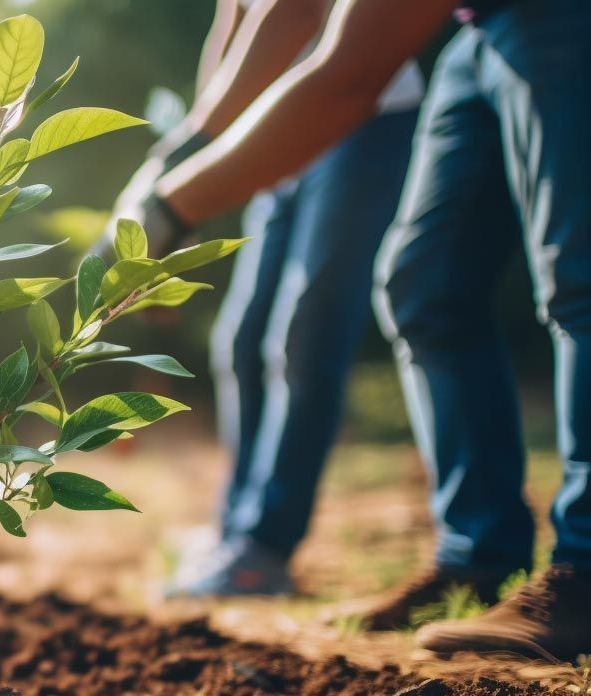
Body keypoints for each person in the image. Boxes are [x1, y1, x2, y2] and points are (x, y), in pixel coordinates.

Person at [119, 0, 590, 659]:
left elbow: (346, 69)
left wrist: (169, 208)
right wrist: (183, 157)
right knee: (425, 287)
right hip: (478, 28)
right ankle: (478, 557)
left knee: (579, 275)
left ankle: (584, 572)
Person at [97, 0, 423, 598]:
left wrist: (179, 167)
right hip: (275, 129)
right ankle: (235, 529)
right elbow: (235, 26)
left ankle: (264, 548)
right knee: (242, 338)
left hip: (358, 115)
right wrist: (192, 152)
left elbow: (296, 14)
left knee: (303, 333)